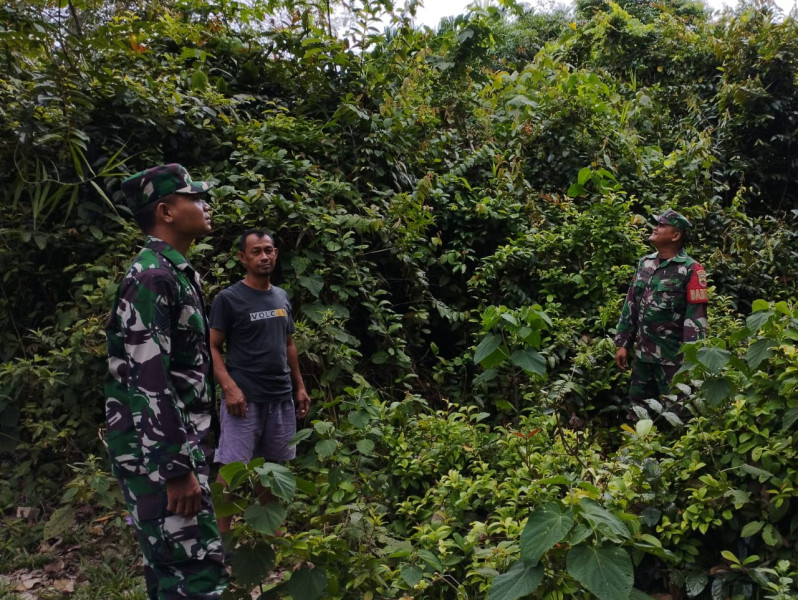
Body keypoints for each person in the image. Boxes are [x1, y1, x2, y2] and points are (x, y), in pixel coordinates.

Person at [105, 163, 228, 599]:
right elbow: (148, 379)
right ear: (166, 211)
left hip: (172, 449)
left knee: (171, 571)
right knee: (196, 575)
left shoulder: (171, 272)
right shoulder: (153, 278)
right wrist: (177, 470)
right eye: (194, 197)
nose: (205, 204)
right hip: (163, 458)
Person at [210, 230, 311, 533]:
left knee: (274, 470)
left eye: (268, 250)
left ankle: (271, 532)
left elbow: (289, 344)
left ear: (276, 253)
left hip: (280, 397)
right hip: (245, 400)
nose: (264, 256)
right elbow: (212, 346)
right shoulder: (229, 299)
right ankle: (220, 541)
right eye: (256, 251)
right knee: (231, 470)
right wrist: (229, 387)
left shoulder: (280, 296)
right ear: (243, 257)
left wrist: (300, 387)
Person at [614, 208, 709, 414]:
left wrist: (692, 360)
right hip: (642, 356)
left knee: (678, 412)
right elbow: (631, 304)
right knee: (639, 410)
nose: (655, 228)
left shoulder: (692, 269)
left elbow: (696, 320)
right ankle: (641, 444)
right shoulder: (645, 264)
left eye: (662, 225)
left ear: (676, 236)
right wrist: (622, 343)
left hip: (672, 359)